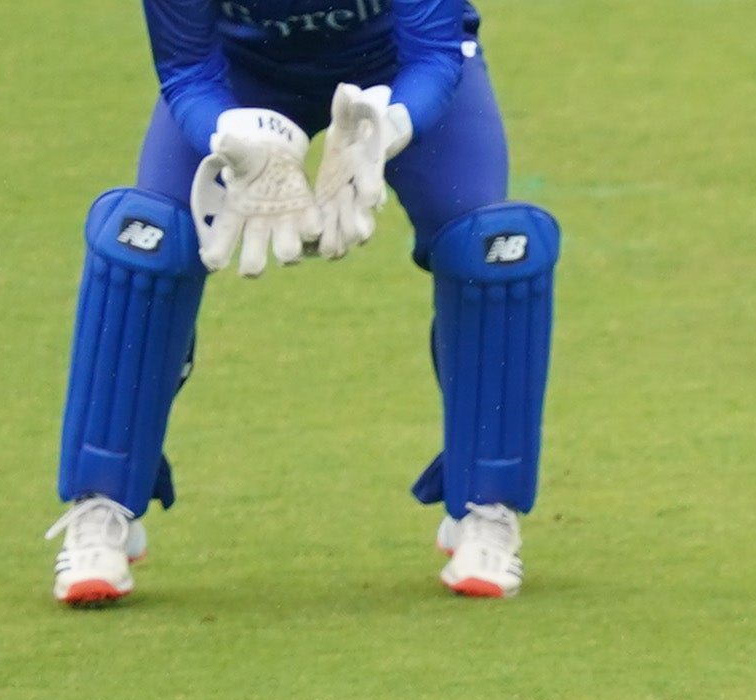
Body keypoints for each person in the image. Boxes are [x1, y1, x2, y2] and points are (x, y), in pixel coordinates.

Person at [47, 0, 559, 606]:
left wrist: (390, 125)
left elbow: (433, 54)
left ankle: (486, 509)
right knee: (144, 241)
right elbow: (186, 69)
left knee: (494, 251)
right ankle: (100, 509)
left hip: (396, 71)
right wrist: (231, 134)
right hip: (241, 76)